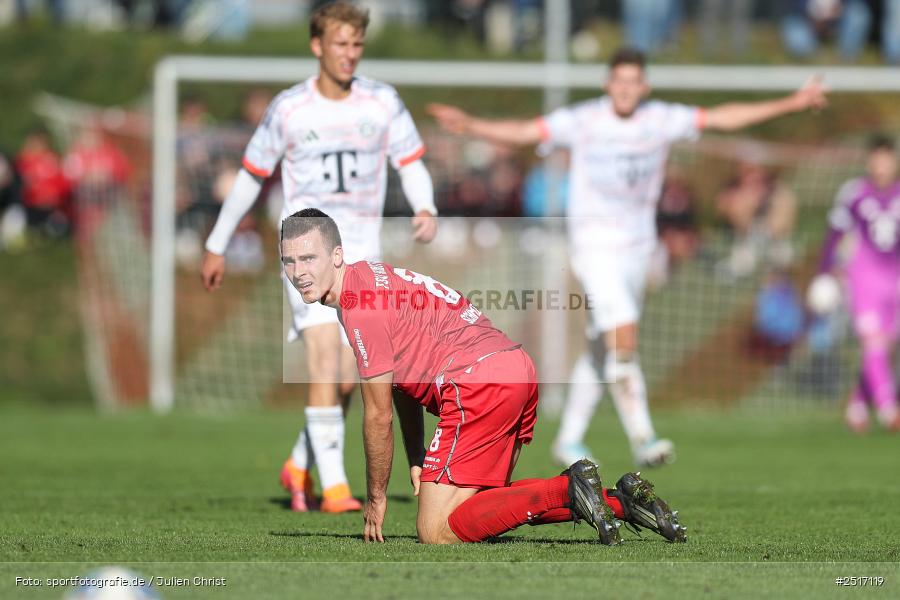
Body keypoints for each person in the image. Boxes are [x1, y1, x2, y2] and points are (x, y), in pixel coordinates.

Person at [428, 47, 828, 468]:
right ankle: (644, 437)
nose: (624, 89)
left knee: (604, 349)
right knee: (624, 335)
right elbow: (527, 131)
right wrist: (471, 125)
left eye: (632, 82)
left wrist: (792, 102)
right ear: (607, 84)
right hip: (593, 247)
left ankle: (568, 439)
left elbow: (723, 118)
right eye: (618, 81)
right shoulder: (584, 120)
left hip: (638, 250)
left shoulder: (660, 119)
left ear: (644, 86)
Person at [279, 207, 687, 545]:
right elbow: (402, 379)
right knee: (487, 511)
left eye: (308, 258)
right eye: (289, 260)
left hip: (476, 382)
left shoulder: (358, 306)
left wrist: (376, 497)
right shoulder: (371, 276)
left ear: (336, 255)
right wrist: (417, 455)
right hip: (515, 369)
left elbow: (377, 416)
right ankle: (623, 502)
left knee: (436, 531)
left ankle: (569, 486)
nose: (298, 272)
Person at [201, 2, 438, 513]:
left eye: (357, 45)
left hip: (360, 258)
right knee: (325, 359)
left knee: (354, 375)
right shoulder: (290, 108)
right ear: (317, 46)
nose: (349, 54)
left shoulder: (382, 102)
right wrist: (217, 243)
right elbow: (251, 174)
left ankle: (300, 463)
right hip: (306, 252)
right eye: (340, 44)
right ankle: (334, 488)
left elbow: (411, 160)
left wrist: (425, 205)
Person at [813, 134, 900, 433]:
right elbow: (835, 232)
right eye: (876, 158)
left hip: (896, 278)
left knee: (883, 346)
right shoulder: (855, 192)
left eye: (886, 158)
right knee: (873, 341)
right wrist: (823, 272)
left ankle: (857, 404)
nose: (881, 165)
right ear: (869, 161)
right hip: (863, 277)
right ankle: (889, 409)